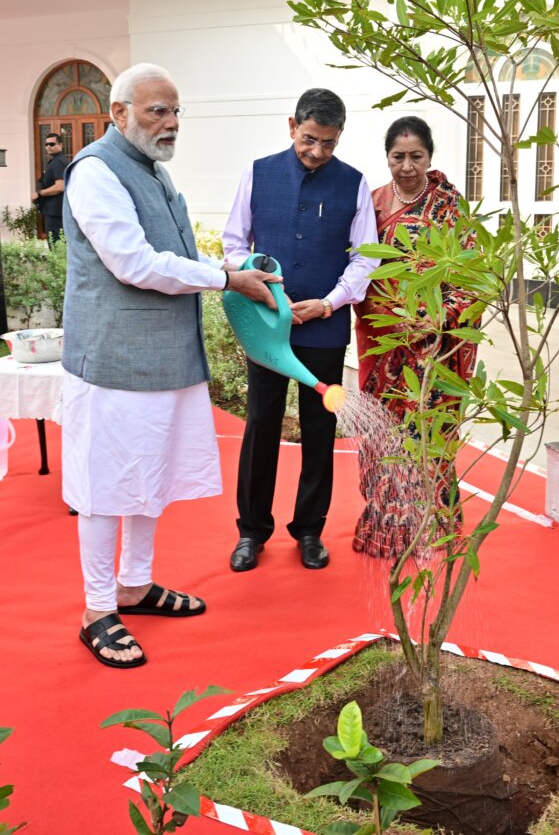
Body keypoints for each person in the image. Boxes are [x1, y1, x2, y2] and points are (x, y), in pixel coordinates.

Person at [63, 62, 280, 669]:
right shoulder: (96, 172)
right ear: (118, 113)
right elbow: (133, 261)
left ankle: (135, 585)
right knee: (107, 487)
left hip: (163, 360)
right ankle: (98, 607)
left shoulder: (152, 173)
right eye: (157, 110)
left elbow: (174, 253)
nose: (171, 122)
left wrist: (229, 270)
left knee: (147, 478)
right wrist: (225, 278)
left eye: (176, 110)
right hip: (112, 363)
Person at [222, 88, 379, 572]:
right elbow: (232, 243)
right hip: (266, 324)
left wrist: (329, 303)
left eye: (327, 144)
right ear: (292, 125)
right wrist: (260, 290)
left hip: (324, 329)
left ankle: (309, 531)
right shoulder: (258, 172)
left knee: (319, 427)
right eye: (309, 139)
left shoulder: (354, 184)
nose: (316, 151)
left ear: (339, 138)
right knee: (261, 424)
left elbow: (365, 258)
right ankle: (252, 531)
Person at [352, 116, 477, 559]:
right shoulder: (372, 204)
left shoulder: (448, 205)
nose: (406, 166)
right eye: (397, 156)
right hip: (384, 340)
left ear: (430, 156)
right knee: (383, 434)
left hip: (435, 346)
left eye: (416, 156)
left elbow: (470, 274)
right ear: (387, 156)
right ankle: (386, 525)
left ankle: (432, 527)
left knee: (429, 434)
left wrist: (434, 319)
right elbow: (360, 267)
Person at [32, 132, 67, 245]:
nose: (48, 147)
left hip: (55, 212)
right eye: (46, 144)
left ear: (60, 145)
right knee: (56, 244)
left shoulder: (58, 162)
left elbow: (60, 186)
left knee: (56, 245)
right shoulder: (54, 161)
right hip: (53, 211)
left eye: (52, 144)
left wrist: (40, 193)